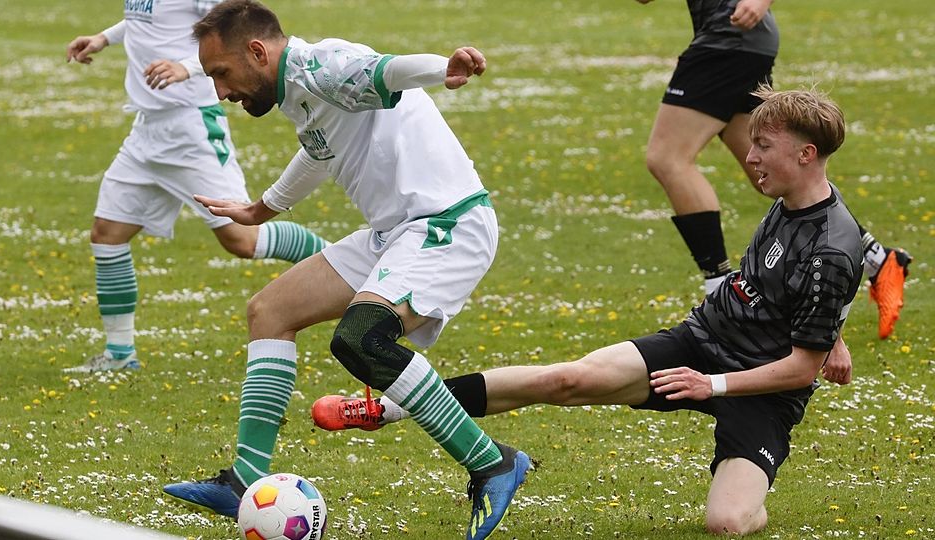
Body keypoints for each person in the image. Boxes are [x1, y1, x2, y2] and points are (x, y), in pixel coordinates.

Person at [315, 88, 861, 535]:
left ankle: (755, 499)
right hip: (698, 342)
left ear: (805, 154)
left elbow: (801, 367)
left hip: (761, 388)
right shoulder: (793, 201)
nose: (750, 156)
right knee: (568, 379)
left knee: (726, 522)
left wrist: (714, 385)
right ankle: (387, 408)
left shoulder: (833, 248)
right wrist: (829, 330)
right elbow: (806, 285)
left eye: (763, 146)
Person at [160, 2, 530, 538]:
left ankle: (492, 462)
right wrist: (259, 210)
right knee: (270, 312)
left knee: (361, 339)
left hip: (446, 225)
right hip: (394, 232)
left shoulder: (324, 66)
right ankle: (244, 480)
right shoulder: (297, 88)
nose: (221, 92)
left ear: (258, 52)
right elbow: (317, 152)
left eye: (222, 73)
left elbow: (385, 71)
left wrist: (441, 68)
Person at [63, 0, 328, 373]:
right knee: (107, 233)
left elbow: (234, 32)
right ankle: (120, 354)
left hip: (191, 127)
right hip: (147, 130)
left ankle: (340, 264)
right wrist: (103, 38)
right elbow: (144, 22)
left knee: (242, 240)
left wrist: (186, 68)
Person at [635, 0, 910, 339]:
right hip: (739, 40)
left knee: (667, 157)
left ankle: (719, 287)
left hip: (729, 38)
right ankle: (877, 258)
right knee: (769, 169)